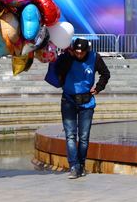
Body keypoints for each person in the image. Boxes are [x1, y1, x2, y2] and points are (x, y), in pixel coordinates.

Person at [53, 38, 110, 179]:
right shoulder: (68, 57)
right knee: (70, 135)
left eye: (81, 53)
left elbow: (105, 73)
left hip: (86, 102)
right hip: (68, 100)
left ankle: (82, 165)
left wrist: (98, 88)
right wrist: (67, 57)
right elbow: (57, 70)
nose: (79, 55)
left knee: (83, 137)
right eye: (77, 52)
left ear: (87, 51)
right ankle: (74, 166)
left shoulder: (94, 57)